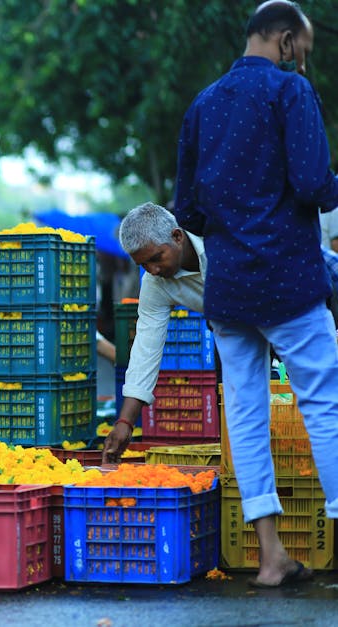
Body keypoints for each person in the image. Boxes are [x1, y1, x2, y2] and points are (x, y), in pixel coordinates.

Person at [173, 1, 338, 588]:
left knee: (244, 414)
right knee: (325, 405)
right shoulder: (289, 92)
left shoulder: (204, 103)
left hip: (230, 290)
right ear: (288, 41)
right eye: (305, 50)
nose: (304, 60)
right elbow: (316, 184)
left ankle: (271, 557)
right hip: (289, 279)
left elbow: (186, 206)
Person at [103, 203, 207, 462]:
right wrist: (125, 422)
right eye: (144, 265)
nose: (153, 270)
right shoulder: (155, 284)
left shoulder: (216, 242)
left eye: (157, 258)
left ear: (177, 236)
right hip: (234, 332)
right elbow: (146, 347)